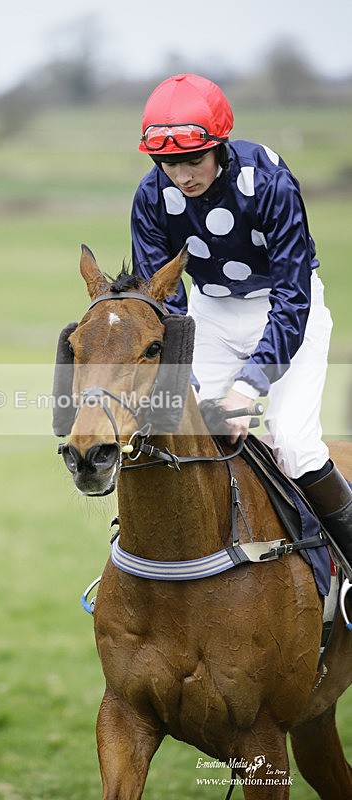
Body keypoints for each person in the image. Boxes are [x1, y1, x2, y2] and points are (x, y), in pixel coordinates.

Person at [131, 72, 352, 579]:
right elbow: (162, 299)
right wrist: (179, 378)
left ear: (220, 147)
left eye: (193, 160)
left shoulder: (269, 180)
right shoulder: (150, 197)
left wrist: (248, 388)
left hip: (288, 309)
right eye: (168, 163)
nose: (182, 176)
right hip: (210, 314)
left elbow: (294, 297)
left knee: (294, 444)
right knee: (172, 428)